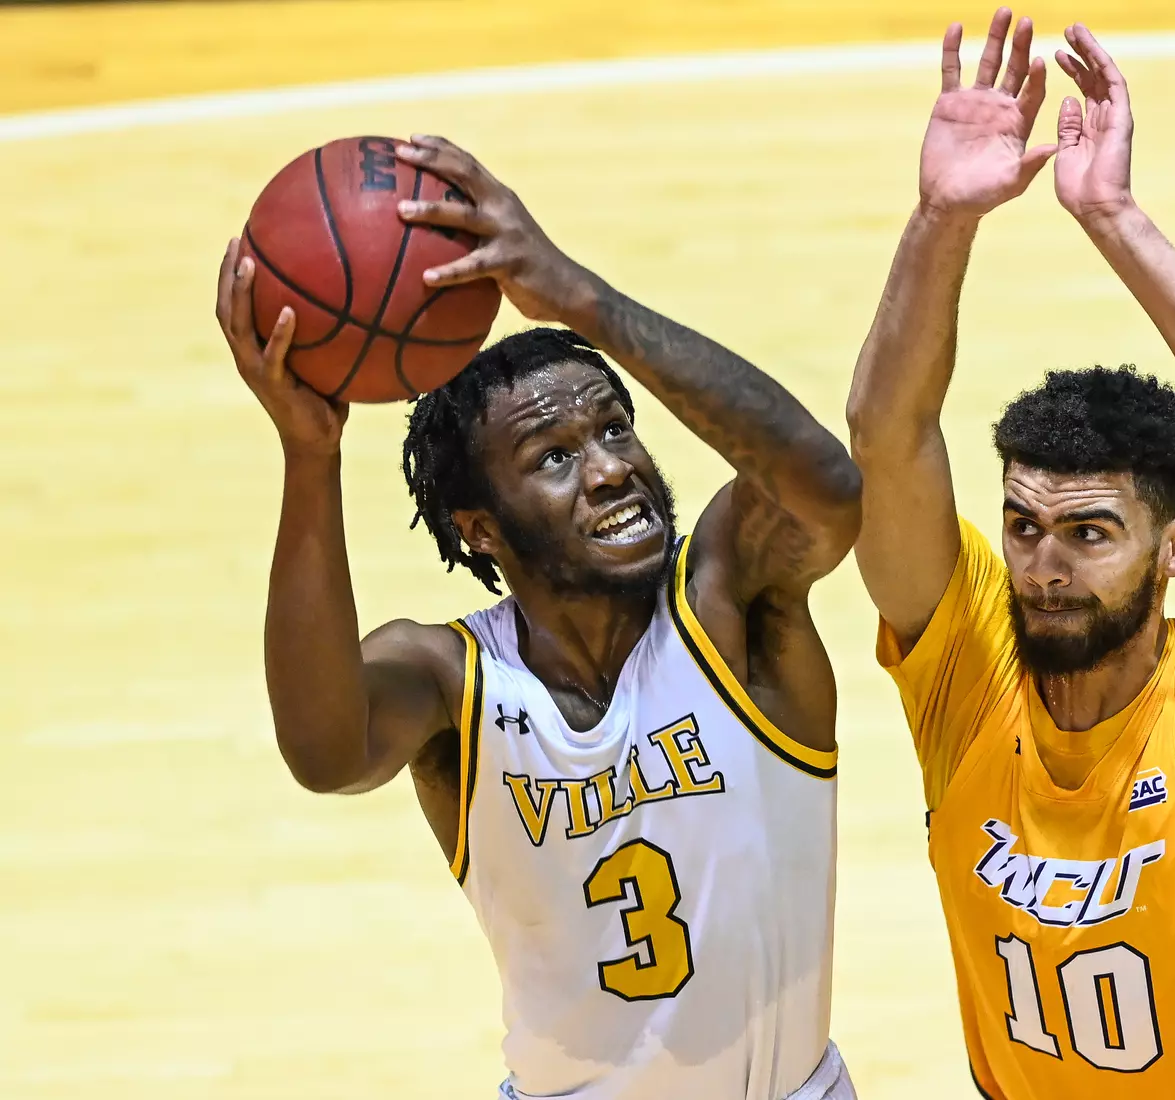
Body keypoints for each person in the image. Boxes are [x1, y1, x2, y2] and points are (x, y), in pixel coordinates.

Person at [214, 135, 861, 1100]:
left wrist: (579, 299)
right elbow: (324, 753)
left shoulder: (727, 603)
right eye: (555, 458)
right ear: (479, 529)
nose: (610, 469)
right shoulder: (452, 680)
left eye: (613, 427)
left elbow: (829, 491)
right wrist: (311, 459)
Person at [846, 10, 1175, 1098]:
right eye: (1023, 525)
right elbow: (885, 438)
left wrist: (1114, 218)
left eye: (1089, 534)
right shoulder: (969, 667)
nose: (1045, 565)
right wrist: (943, 216)